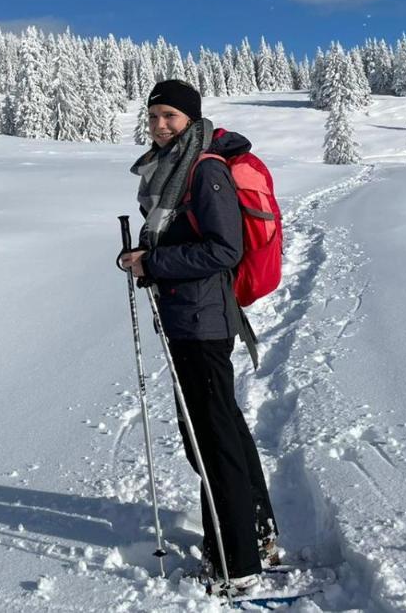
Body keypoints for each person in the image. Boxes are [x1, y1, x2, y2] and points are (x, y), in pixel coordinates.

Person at [118, 79, 277, 593]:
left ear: (191, 119)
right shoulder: (176, 168)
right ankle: (257, 532)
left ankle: (236, 564)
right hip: (190, 315)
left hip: (202, 320)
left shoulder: (204, 170)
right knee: (222, 426)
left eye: (171, 116)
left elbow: (224, 249)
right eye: (154, 116)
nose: (161, 125)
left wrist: (154, 262)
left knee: (209, 439)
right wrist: (145, 258)